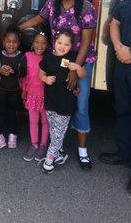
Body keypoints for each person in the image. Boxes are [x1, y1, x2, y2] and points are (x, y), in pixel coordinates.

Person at [19, 0, 97, 170]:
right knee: (54, 104)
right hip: (58, 61)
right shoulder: (53, 4)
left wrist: (75, 68)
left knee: (80, 104)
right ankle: (57, 147)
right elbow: (38, 19)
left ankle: (82, 151)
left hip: (80, 61)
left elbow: (87, 41)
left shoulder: (86, 7)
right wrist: (15, 28)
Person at [99, 0, 131, 195]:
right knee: (124, 109)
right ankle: (124, 153)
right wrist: (119, 48)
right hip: (124, 61)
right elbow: (114, 21)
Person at [40, 29, 86, 174]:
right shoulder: (48, 57)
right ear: (54, 42)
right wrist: (45, 79)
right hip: (50, 101)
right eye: (60, 42)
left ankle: (49, 159)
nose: (62, 46)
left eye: (66, 44)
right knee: (55, 129)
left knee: (58, 132)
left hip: (65, 103)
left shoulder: (72, 57)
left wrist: (77, 67)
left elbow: (83, 75)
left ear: (71, 46)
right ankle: (59, 153)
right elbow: (40, 72)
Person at [0, 27, 27, 149]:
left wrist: (13, 71)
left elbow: (23, 72)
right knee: (1, 111)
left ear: (18, 43)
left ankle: (13, 134)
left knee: (13, 112)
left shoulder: (21, 57)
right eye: (8, 41)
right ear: (4, 42)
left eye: (14, 42)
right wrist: (1, 71)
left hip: (15, 90)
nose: (11, 44)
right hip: (1, 90)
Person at [20, 32, 49, 162]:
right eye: (37, 42)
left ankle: (43, 145)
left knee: (45, 121)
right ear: (32, 43)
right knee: (33, 121)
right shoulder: (27, 56)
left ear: (47, 45)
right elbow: (24, 76)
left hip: (46, 96)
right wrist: (23, 91)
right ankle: (34, 144)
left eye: (43, 43)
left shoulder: (49, 57)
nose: (40, 45)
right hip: (31, 94)